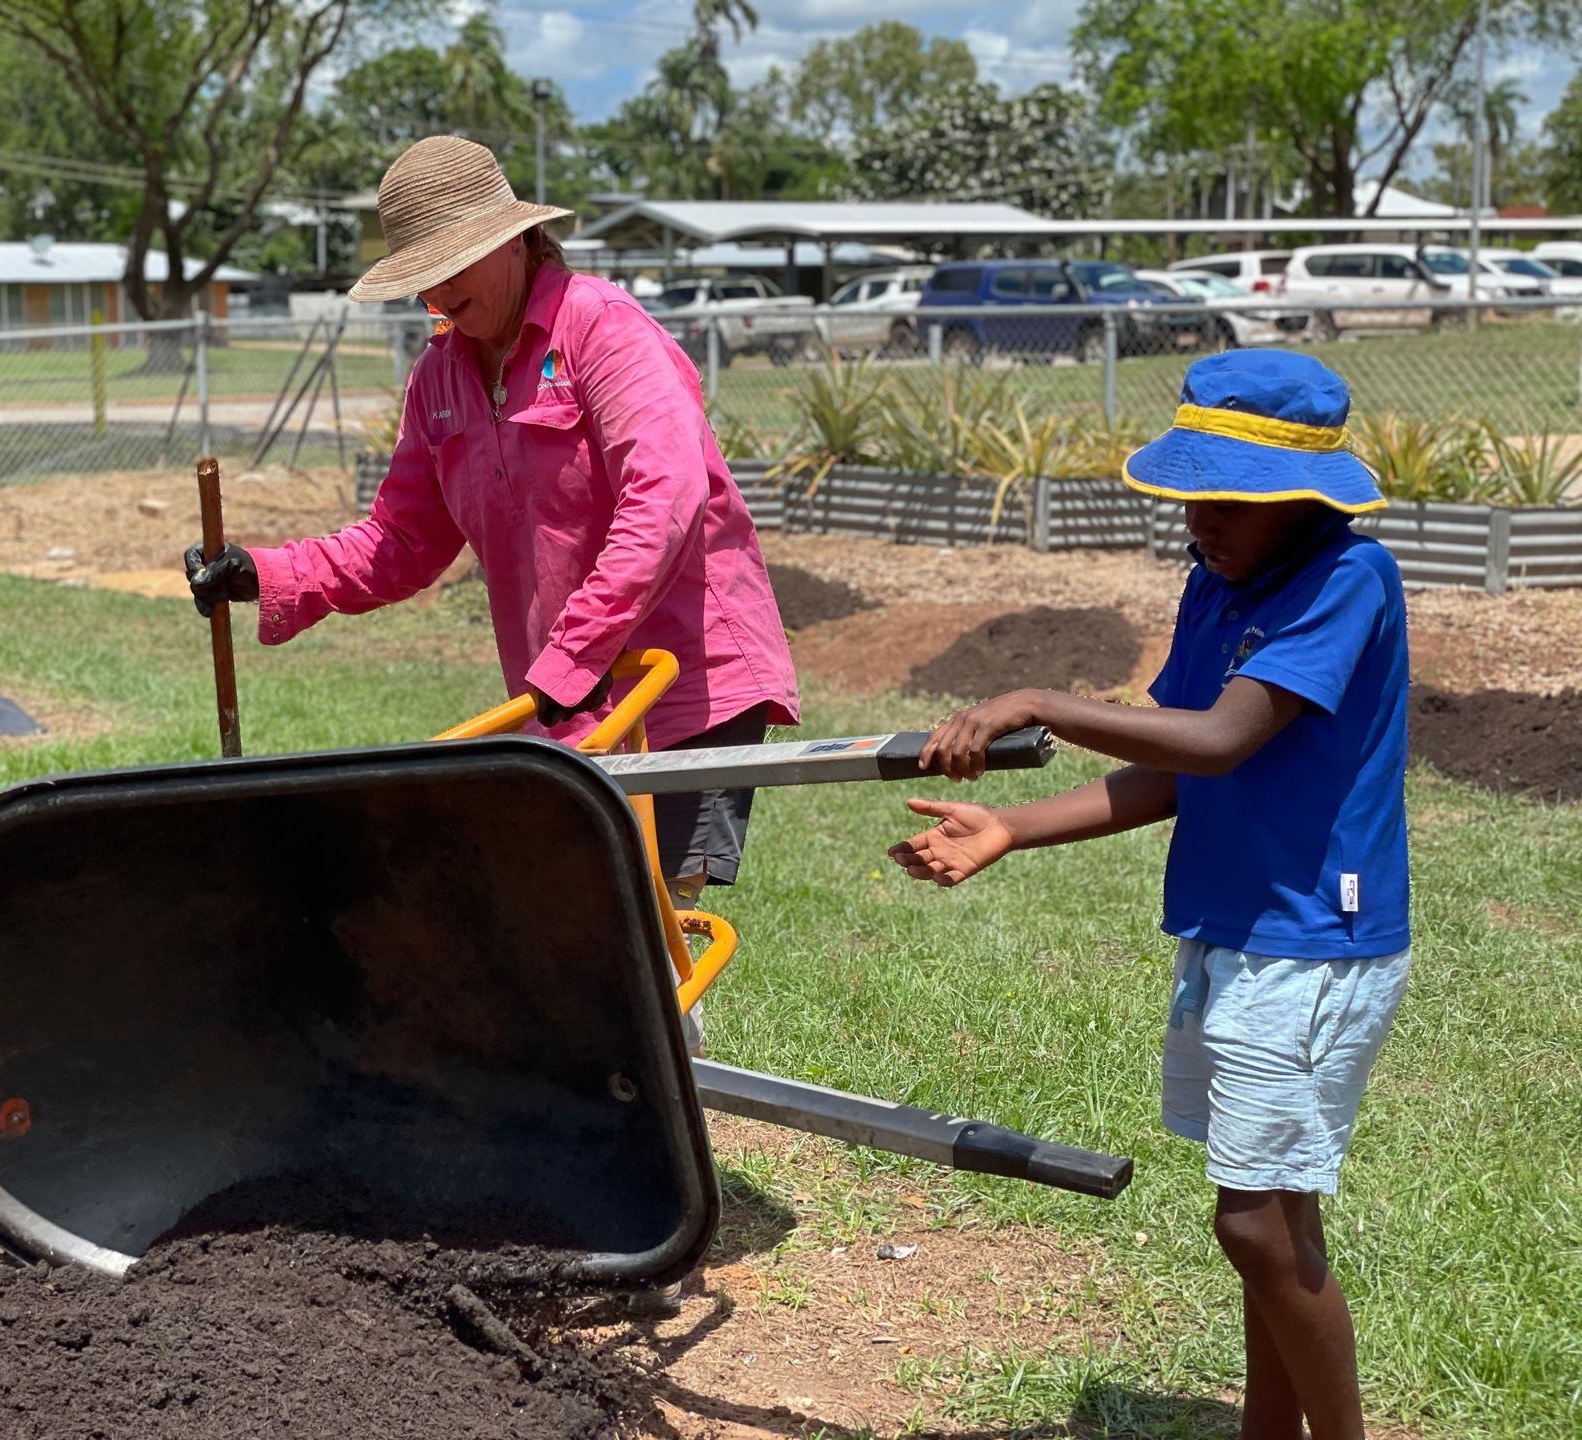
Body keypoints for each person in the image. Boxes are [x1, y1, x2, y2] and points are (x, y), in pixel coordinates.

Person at [889, 351, 1410, 1440]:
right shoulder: (1216, 586)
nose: (1200, 521)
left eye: (1229, 501)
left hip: (1315, 935)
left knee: (1256, 1226)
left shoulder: (1349, 582)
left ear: (1301, 499)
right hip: (1236, 928)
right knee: (1276, 1216)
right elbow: (1175, 770)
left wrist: (1039, 698)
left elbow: (1224, 738)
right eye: (1191, 496)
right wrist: (1014, 829)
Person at [185, 135, 797, 926]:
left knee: (642, 934)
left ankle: (660, 1047)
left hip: (680, 685)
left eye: (454, 264)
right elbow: (401, 543)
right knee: (569, 924)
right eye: (422, 275)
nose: (436, 293)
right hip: (569, 703)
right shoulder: (440, 377)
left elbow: (666, 499)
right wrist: (265, 574)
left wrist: (573, 656)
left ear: (514, 239)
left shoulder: (604, 331)